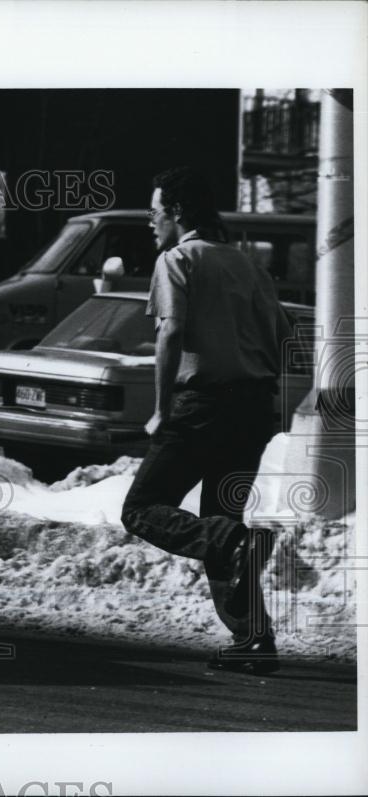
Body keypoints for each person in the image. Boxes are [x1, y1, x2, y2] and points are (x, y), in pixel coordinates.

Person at [120, 166, 293, 676]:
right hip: (252, 408)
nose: (151, 223)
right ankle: (253, 638)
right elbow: (284, 333)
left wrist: (160, 409)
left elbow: (170, 332)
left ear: (176, 212)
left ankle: (237, 547)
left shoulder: (177, 260)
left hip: (202, 407)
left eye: (154, 213)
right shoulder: (246, 265)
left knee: (143, 507)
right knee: (220, 515)